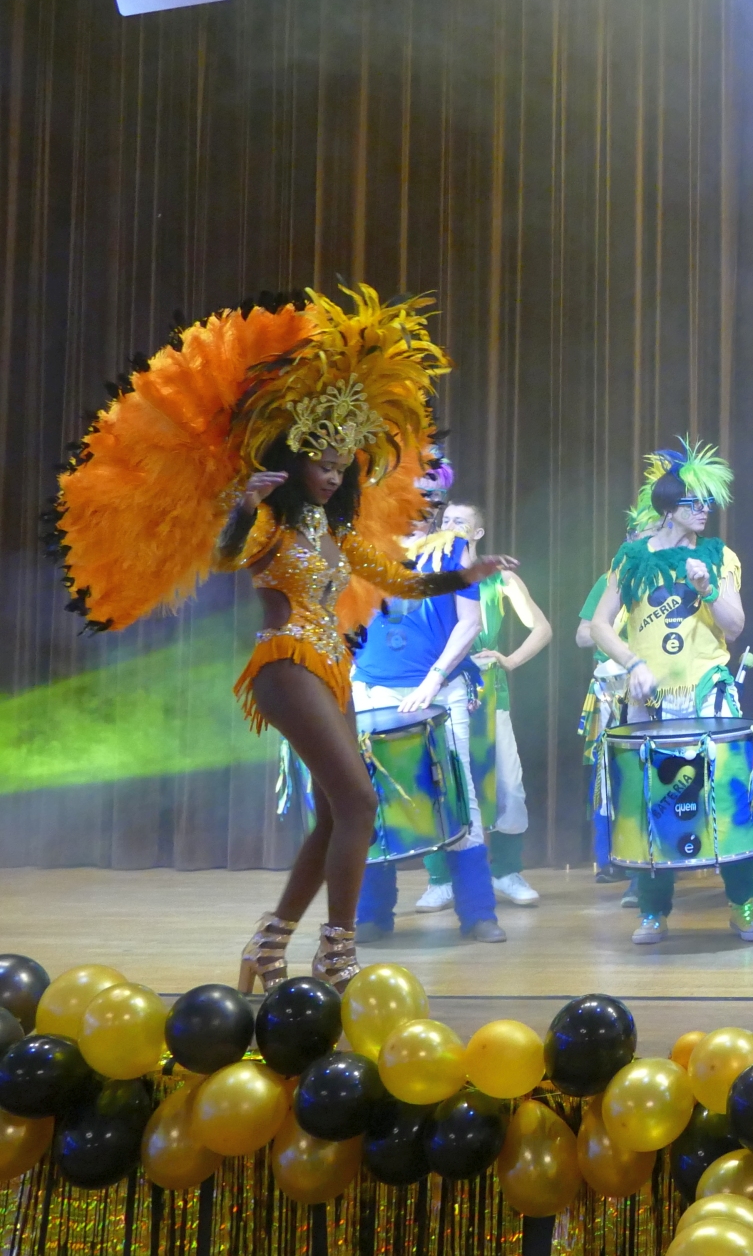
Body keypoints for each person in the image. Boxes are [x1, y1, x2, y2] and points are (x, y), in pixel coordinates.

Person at [49, 285, 512, 992]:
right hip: (285, 660)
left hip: (332, 667)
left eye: (340, 467)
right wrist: (242, 508)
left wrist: (465, 574)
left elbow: (399, 579)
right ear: (294, 461)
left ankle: (268, 947)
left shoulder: (336, 530)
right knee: (360, 802)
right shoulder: (273, 524)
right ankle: (337, 951)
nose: (331, 477)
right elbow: (229, 556)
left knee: (336, 812)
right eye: (321, 464)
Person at [585, 441, 753, 945]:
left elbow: (735, 627)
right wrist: (632, 662)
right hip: (652, 700)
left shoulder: (718, 555)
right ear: (669, 508)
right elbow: (597, 625)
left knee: (729, 799)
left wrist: (708, 586)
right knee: (653, 801)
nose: (704, 510)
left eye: (707, 502)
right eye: (694, 502)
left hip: (709, 693)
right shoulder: (633, 558)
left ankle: (743, 905)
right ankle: (653, 911)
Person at [349, 518, 504, 944]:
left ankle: (478, 913)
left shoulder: (454, 551)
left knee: (458, 795)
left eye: (430, 495)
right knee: (374, 800)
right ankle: (372, 915)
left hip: (438, 689)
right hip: (372, 688)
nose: (421, 505)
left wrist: (432, 681)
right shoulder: (364, 543)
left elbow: (469, 622)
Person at [415, 503, 553, 908]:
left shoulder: (498, 579)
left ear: (477, 534)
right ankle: (440, 879)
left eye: (460, 522)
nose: (450, 527)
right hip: (437, 690)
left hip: (488, 693)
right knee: (440, 781)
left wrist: (509, 660)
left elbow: (541, 627)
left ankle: (506, 871)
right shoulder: (427, 574)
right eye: (445, 521)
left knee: (507, 783)